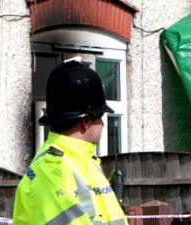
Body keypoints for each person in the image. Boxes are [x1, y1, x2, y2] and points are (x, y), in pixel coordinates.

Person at [13, 61, 128, 225]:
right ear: (85, 122)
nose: (102, 125)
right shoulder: (52, 169)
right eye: (100, 118)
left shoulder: (85, 164)